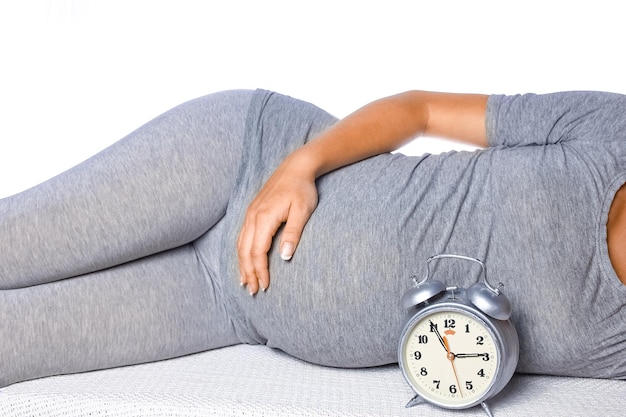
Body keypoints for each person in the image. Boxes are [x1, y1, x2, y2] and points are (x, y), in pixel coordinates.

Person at [0, 88, 624, 388]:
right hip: (244, 161)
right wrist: (299, 167)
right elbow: (422, 111)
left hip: (224, 305)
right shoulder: (613, 130)